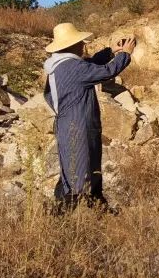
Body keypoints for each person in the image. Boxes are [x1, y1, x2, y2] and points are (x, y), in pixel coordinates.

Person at [43, 22, 136, 212]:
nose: (83, 45)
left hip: (74, 123)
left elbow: (91, 64)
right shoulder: (71, 66)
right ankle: (62, 218)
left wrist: (111, 51)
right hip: (77, 126)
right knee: (78, 173)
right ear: (73, 45)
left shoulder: (61, 65)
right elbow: (106, 72)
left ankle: (98, 209)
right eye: (80, 43)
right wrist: (124, 54)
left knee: (83, 167)